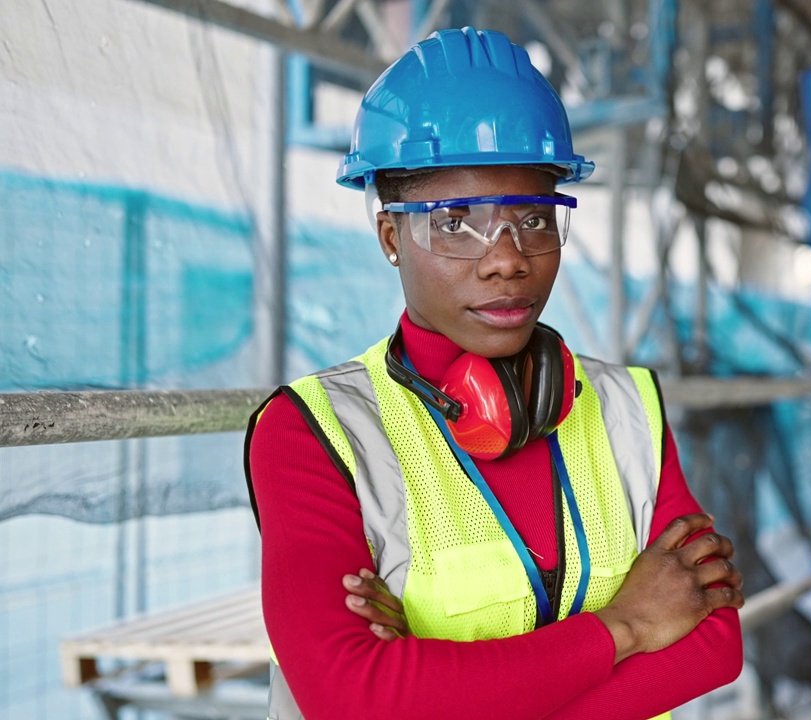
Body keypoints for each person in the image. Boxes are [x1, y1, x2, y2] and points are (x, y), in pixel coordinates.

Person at [244, 27, 744, 720]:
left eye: (535, 218)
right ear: (391, 235)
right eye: (454, 222)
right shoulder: (315, 432)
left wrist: (434, 681)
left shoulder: (630, 409)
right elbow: (352, 694)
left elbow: (714, 643)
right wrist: (625, 628)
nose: (507, 258)